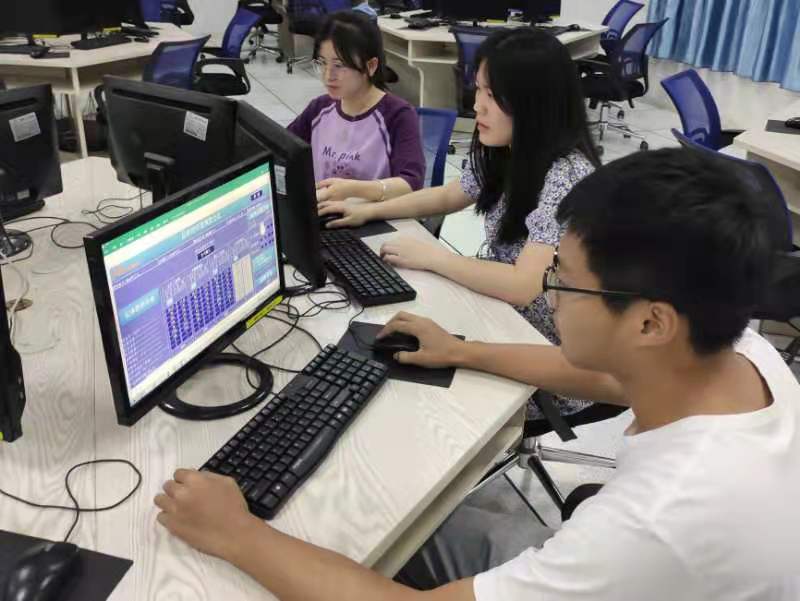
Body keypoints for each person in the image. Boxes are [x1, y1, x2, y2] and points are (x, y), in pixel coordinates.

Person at [154, 149, 800, 600]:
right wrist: (462, 350)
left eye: (563, 279)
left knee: (351, 539)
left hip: (639, 566)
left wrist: (236, 532)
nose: (547, 293)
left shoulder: (653, 522)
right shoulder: (735, 347)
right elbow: (610, 380)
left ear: (651, 322)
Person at [320, 27, 601, 421]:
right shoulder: (509, 150)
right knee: (385, 339)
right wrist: (371, 210)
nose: (477, 106)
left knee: (410, 403)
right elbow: (450, 194)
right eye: (479, 90)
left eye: (492, 96)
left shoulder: (566, 177)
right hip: (499, 315)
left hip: (549, 356)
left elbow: (523, 286)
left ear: (535, 104)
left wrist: (433, 257)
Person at [287, 11, 425, 204]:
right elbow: (281, 149)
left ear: (371, 66)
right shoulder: (319, 108)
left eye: (339, 65)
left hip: (375, 216)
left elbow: (411, 183)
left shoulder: (397, 115)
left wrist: (352, 190)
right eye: (322, 63)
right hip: (325, 213)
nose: (328, 75)